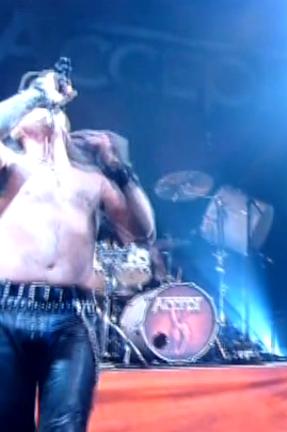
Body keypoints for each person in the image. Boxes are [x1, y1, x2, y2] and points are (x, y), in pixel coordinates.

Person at [0, 69, 155, 431]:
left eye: (53, 107)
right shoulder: (10, 165)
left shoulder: (93, 180)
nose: (47, 109)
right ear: (17, 128)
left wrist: (119, 167)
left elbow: (142, 232)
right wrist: (36, 94)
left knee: (65, 424)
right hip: (5, 311)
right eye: (35, 108)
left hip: (70, 315)